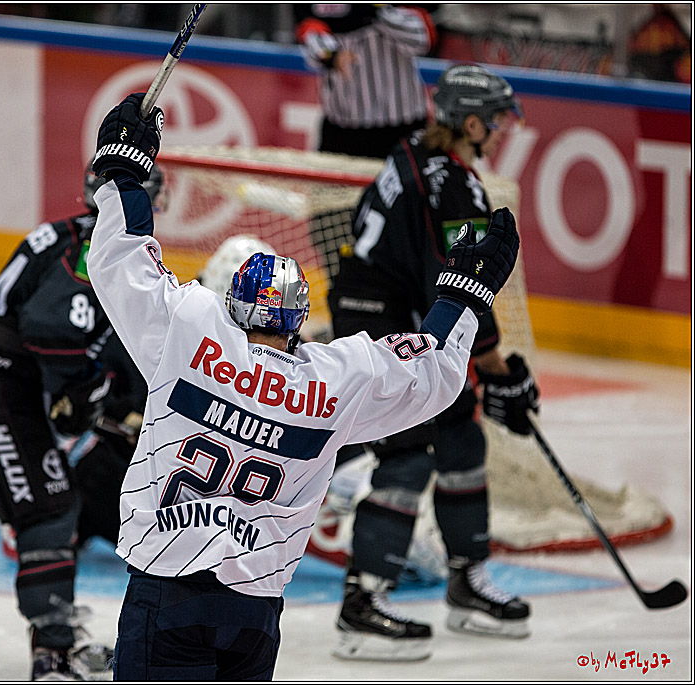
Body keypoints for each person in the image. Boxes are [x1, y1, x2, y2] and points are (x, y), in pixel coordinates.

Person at [86, 92, 521, 680]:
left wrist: (121, 172)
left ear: (234, 303)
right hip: (254, 617)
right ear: (296, 318)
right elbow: (435, 374)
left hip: (166, 594)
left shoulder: (190, 330)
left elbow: (120, 262)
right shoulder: (336, 378)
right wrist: (463, 298)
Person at [326, 63, 541, 661]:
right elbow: (467, 286)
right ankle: (362, 605)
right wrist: (502, 372)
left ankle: (466, 583)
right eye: (497, 120)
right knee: (406, 453)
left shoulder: (416, 151)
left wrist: (482, 375)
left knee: (459, 437)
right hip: (381, 321)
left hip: (378, 310)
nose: (502, 131)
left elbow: (441, 282)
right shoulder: (455, 188)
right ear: (471, 123)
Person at [0, 161, 165, 681]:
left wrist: (85, 390)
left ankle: (55, 637)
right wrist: (78, 388)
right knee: (48, 507)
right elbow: (52, 327)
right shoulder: (92, 249)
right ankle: (52, 652)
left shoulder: (76, 234)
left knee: (52, 500)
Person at [295, 4, 437, 161]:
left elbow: (424, 39)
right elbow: (310, 34)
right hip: (344, 127)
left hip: (402, 124)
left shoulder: (391, 12)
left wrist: (376, 10)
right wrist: (331, 55)